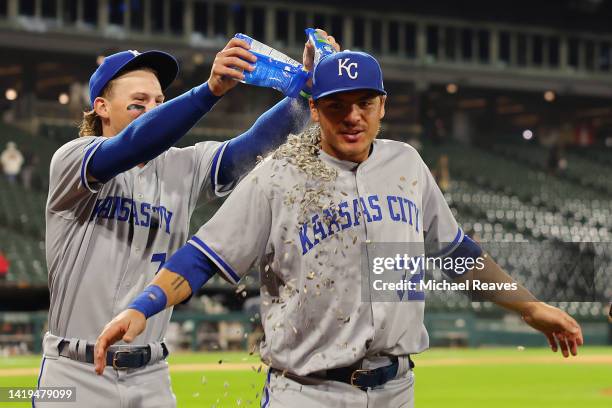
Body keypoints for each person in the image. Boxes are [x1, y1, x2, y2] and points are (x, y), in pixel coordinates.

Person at [95, 51, 584, 407]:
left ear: (383, 105)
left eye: (364, 103)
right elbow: (203, 256)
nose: (352, 116)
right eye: (336, 105)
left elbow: (457, 254)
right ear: (313, 109)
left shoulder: (407, 164)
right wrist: (143, 307)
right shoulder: (278, 174)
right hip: (308, 393)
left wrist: (530, 308)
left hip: (397, 389)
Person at [36, 31, 340, 408]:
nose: (152, 110)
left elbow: (253, 147)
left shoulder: (184, 164)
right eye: (138, 104)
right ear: (101, 107)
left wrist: (304, 97)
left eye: (159, 102)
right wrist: (208, 91)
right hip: (76, 372)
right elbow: (134, 144)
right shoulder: (73, 159)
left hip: (151, 375)